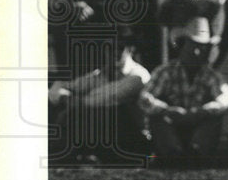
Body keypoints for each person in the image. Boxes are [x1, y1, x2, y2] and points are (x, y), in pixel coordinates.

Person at [139, 17, 228, 164]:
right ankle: (173, 154)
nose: (197, 52)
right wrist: (167, 110)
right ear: (182, 45)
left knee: (213, 119)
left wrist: (203, 110)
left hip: (198, 129)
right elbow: (145, 97)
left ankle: (196, 154)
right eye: (193, 45)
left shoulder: (211, 75)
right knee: (158, 118)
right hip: (172, 127)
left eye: (202, 47)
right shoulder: (165, 71)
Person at [48, 31, 151, 165]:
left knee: (85, 111)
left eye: (119, 48)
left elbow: (106, 98)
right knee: (75, 111)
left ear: (130, 49)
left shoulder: (138, 76)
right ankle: (63, 152)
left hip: (131, 136)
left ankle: (63, 152)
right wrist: (65, 97)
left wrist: (72, 100)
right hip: (102, 133)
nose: (113, 52)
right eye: (109, 48)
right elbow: (58, 87)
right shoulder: (101, 74)